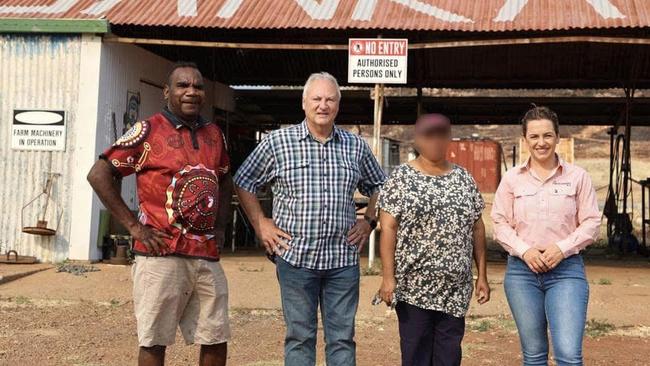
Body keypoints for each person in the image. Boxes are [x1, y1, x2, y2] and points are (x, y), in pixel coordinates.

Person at [233, 72, 387, 366]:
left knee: (342, 340)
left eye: (330, 99)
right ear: (304, 103)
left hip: (341, 260)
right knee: (300, 338)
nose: (323, 105)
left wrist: (368, 221)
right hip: (295, 259)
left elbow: (380, 185)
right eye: (316, 98)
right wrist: (261, 223)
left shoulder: (354, 146)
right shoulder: (278, 143)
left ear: (338, 106)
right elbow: (244, 181)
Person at [87, 62, 232, 366]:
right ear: (167, 92)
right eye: (182, 85)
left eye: (198, 86)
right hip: (160, 255)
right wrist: (134, 227)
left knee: (216, 337)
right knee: (155, 340)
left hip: (206, 255)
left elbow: (225, 178)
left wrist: (220, 227)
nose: (191, 91)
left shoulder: (214, 135)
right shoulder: (147, 130)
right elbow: (100, 175)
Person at [377, 113, 490, 366]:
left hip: (454, 289)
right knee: (416, 355)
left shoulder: (463, 179)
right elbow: (388, 229)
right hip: (413, 289)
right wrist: (388, 278)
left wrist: (481, 275)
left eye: (442, 134)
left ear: (449, 137)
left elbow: (477, 229)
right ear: (417, 140)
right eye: (429, 135)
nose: (436, 140)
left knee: (449, 357)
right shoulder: (400, 179)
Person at [491, 106, 601, 366]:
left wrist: (562, 248)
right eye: (534, 137)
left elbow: (591, 223)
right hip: (522, 274)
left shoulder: (578, 177)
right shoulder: (511, 179)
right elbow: (499, 223)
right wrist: (525, 250)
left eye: (548, 136)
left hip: (566, 271)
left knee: (569, 354)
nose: (542, 143)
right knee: (534, 354)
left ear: (557, 138)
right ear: (525, 140)